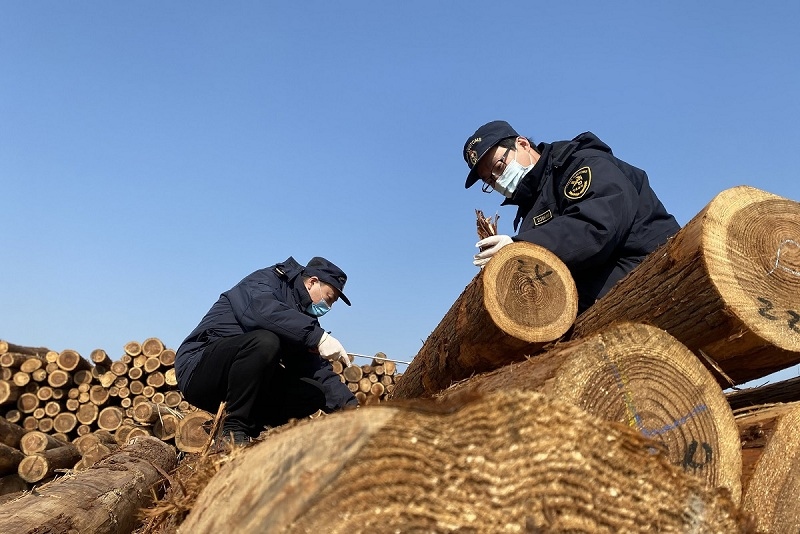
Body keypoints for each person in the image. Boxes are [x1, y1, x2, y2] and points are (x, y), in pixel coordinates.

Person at [464, 120, 680, 312]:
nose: (498, 181)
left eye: (499, 167)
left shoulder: (581, 164)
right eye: (489, 181)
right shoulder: (529, 210)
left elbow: (595, 227)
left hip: (658, 270)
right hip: (602, 295)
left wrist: (520, 248)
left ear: (522, 144)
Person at [175, 256, 358, 445]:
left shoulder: (302, 320)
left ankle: (247, 428)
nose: (328, 307)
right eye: (329, 298)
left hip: (242, 386)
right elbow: (262, 311)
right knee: (265, 342)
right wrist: (317, 336)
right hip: (199, 370)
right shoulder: (266, 280)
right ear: (312, 282)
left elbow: (318, 372)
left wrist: (355, 412)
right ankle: (233, 430)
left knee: (314, 393)